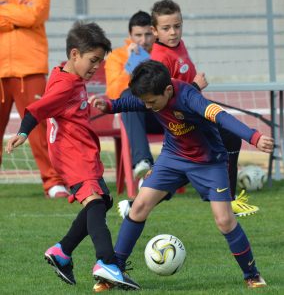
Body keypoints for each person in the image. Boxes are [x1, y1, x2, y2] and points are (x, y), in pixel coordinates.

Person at [91, 60, 273, 290]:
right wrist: (109, 105)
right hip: (173, 158)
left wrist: (254, 136)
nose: (148, 107)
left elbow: (221, 116)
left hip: (209, 162)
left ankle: (252, 274)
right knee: (138, 207)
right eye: (146, 102)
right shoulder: (153, 95)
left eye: (152, 102)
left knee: (225, 220)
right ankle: (115, 269)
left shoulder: (188, 96)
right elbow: (132, 103)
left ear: (167, 90)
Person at [5, 21, 140, 292]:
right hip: (73, 156)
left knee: (100, 201)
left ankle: (62, 252)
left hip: (82, 154)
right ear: (75, 54)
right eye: (93, 60)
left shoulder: (65, 75)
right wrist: (23, 132)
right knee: (95, 206)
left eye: (100, 62)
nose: (96, 67)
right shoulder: (65, 85)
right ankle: (107, 262)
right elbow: (36, 109)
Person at [118, 0, 258, 218]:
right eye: (166, 28)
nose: (173, 32)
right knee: (220, 143)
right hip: (178, 118)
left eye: (177, 26)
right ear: (155, 31)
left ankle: (137, 203)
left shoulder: (178, 46)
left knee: (213, 149)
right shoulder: (160, 58)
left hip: (190, 115)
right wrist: (195, 86)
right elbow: (168, 97)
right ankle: (226, 200)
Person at [0, 0, 69, 198]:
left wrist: (5, 10)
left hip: (31, 67)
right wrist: (19, 11)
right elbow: (26, 16)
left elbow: (33, 16)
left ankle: (54, 182)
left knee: (41, 127)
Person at [104, 10, 163, 179]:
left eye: (148, 34)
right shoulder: (117, 57)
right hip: (137, 116)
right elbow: (115, 95)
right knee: (128, 96)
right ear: (130, 35)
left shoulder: (163, 52)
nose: (143, 41)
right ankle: (143, 162)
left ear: (154, 32)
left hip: (165, 114)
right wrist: (131, 66)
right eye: (138, 35)